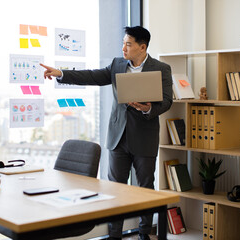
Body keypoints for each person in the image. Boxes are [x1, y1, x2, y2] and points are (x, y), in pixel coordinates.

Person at [41, 26, 173, 240]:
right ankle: (114, 236)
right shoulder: (117, 65)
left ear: (142, 47)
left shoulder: (161, 68)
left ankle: (144, 233)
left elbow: (167, 101)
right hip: (118, 138)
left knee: (146, 188)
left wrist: (148, 107)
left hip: (145, 136)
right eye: (123, 43)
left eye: (128, 44)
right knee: (115, 189)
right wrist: (61, 73)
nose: (123, 48)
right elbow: (92, 76)